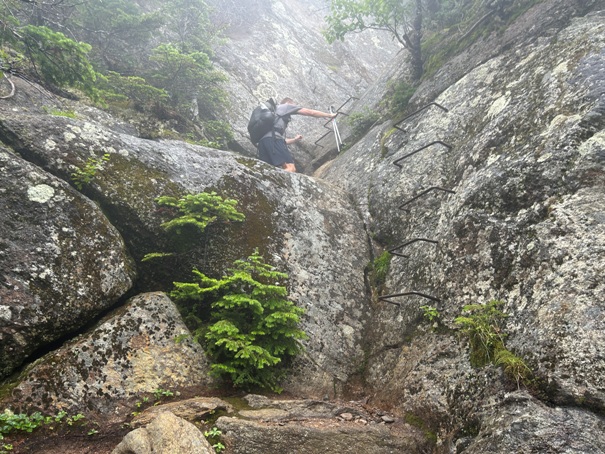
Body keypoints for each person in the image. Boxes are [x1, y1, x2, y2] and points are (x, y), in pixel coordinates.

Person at [257, 97, 336, 173]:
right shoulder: (286, 107)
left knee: (268, 171)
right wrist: (328, 115)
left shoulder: (275, 115)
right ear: (289, 103)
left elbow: (281, 141)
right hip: (273, 140)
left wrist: (295, 139)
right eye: (294, 105)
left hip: (262, 143)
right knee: (290, 168)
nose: (294, 107)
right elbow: (309, 112)